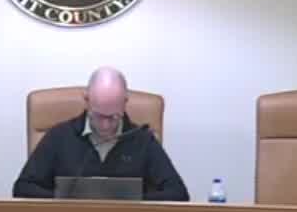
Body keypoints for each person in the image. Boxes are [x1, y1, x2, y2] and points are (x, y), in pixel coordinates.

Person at [13, 67, 189, 201]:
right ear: (87, 101)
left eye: (113, 117)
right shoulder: (59, 136)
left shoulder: (142, 139)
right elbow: (22, 188)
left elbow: (178, 193)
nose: (105, 125)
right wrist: (66, 200)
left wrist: (133, 202)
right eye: (99, 116)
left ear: (125, 103)